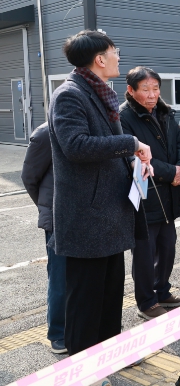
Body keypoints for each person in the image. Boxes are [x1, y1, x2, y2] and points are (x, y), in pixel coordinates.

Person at [48, 30, 153, 361]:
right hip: (87, 218)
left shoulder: (99, 93)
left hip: (108, 215)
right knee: (85, 303)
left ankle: (107, 357)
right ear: (99, 59)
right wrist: (131, 143)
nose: (118, 57)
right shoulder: (70, 95)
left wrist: (134, 162)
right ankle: (83, 369)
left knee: (108, 299)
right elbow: (76, 146)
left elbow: (106, 149)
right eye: (114, 51)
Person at [120, 67, 180, 320]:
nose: (152, 95)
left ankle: (162, 292)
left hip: (169, 194)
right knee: (144, 253)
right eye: (145, 89)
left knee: (167, 246)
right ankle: (146, 302)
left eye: (156, 88)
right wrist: (171, 172)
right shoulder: (124, 117)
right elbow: (133, 157)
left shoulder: (165, 112)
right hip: (145, 194)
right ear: (131, 90)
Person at [21, 123, 66, 354]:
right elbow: (29, 177)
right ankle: (58, 332)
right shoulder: (45, 133)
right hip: (57, 219)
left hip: (83, 219)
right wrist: (46, 207)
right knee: (59, 278)